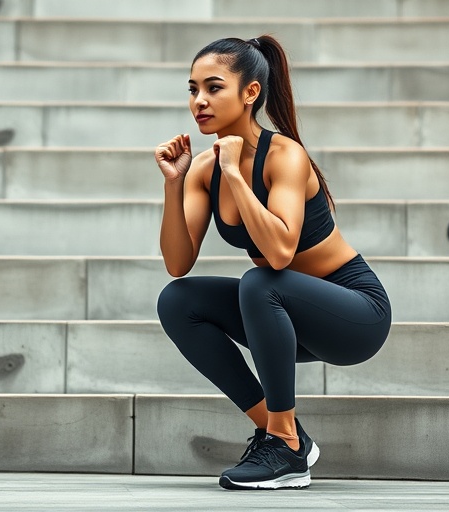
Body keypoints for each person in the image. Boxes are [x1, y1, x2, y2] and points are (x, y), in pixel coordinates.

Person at [154, 35, 392, 490]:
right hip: (284, 317)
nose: (199, 101)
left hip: (354, 313)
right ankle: (283, 433)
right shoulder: (203, 169)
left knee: (261, 281)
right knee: (178, 299)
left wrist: (234, 174)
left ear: (250, 93)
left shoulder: (285, 156)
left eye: (214, 87)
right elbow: (178, 263)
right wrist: (174, 183)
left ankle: (283, 448)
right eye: (192, 89)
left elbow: (280, 252)